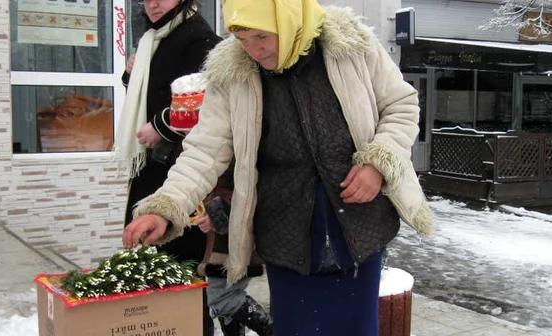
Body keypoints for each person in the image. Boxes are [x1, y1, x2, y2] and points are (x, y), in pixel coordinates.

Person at [123, 1, 434, 335]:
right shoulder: (233, 72)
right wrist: (167, 207)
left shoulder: (350, 45)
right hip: (287, 238)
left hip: (360, 230)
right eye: (241, 38)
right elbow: (204, 150)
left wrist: (377, 164)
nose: (254, 50)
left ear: (288, 18)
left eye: (261, 36)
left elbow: (401, 105)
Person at [114, 0, 220, 335]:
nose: (153, 4)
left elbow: (207, 102)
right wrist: (132, 75)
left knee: (184, 271)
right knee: (154, 264)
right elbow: (152, 94)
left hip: (183, 171)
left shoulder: (199, 39)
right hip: (151, 166)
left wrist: (160, 127)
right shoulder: (153, 40)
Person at [195, 163, 273, 336]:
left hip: (234, 234)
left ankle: (273, 331)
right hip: (224, 234)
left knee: (222, 297)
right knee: (225, 296)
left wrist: (215, 212)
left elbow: (245, 180)